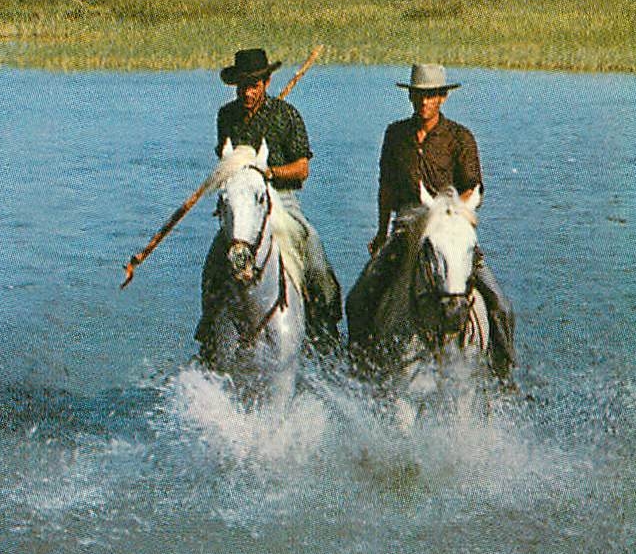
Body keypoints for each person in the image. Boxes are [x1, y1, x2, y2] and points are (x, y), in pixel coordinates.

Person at [345, 64, 516, 377]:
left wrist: (449, 213)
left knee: (501, 305)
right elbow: (386, 187)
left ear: (442, 98)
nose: (424, 102)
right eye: (419, 96)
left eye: (431, 96)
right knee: (358, 299)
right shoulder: (395, 134)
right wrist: (382, 231)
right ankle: (360, 367)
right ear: (411, 97)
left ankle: (504, 376)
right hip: (407, 226)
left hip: (449, 228)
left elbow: (473, 188)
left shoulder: (460, 137)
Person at [196, 47, 342, 353]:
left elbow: (302, 169)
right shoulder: (226, 117)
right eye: (243, 86)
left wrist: (269, 172)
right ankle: (209, 331)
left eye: (254, 85)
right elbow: (226, 163)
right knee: (212, 266)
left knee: (314, 252)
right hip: (242, 203)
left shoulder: (287, 115)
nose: (248, 92)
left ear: (267, 82)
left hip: (282, 200)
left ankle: (326, 328)